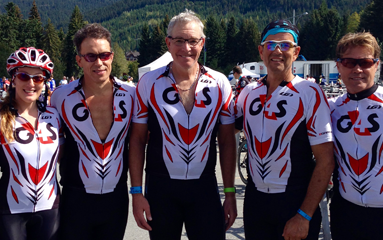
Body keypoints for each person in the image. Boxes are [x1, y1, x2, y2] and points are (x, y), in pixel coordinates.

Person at [130, 10, 236, 240]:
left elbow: (227, 142)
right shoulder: (149, 82)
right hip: (160, 188)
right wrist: (136, 192)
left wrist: (229, 193)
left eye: (192, 41)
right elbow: (137, 140)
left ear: (202, 43)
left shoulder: (219, 83)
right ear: (168, 43)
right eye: (179, 40)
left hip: (205, 188)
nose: (185, 48)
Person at [234, 19, 334, 240]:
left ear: (296, 52)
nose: (277, 50)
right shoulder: (248, 92)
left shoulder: (310, 92)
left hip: (294, 201)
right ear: (261, 51)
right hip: (255, 202)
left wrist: (304, 215)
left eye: (285, 45)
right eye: (271, 45)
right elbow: (225, 130)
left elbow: (326, 160)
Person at [50, 23, 135, 240]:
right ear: (79, 60)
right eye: (90, 56)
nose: (99, 62)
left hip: (116, 198)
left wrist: (138, 191)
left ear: (112, 57)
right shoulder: (60, 96)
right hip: (75, 196)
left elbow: (141, 142)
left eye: (104, 55)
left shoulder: (132, 94)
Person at [0, 47, 61, 240]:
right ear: (13, 80)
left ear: (45, 82)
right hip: (9, 213)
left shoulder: (55, 117)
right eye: (24, 76)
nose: (31, 83)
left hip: (50, 210)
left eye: (38, 78)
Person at [329, 32, 382, 239]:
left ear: (376, 65)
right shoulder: (330, 108)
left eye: (366, 62)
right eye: (350, 62)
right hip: (345, 211)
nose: (358, 69)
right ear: (338, 66)